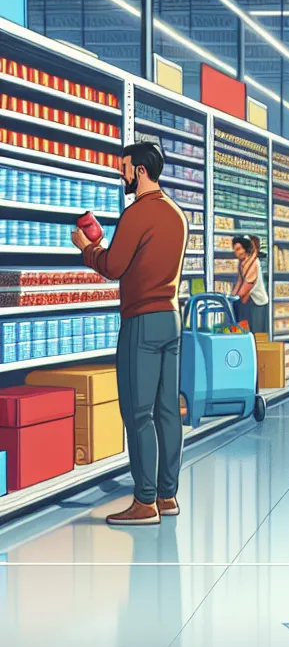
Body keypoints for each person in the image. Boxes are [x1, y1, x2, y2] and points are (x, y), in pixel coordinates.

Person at [71, 142, 187, 525]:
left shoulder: (137, 213)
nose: (120, 174)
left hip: (142, 321)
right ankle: (167, 495)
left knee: (138, 413)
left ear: (139, 170)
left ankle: (144, 501)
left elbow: (114, 266)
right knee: (167, 410)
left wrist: (88, 248)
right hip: (171, 319)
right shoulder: (176, 214)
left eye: (124, 168)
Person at [230, 234, 269, 335]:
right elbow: (239, 281)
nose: (236, 252)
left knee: (255, 333)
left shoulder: (254, 264)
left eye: (238, 249)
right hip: (246, 302)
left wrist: (234, 298)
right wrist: (231, 296)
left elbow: (245, 288)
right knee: (243, 331)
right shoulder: (241, 263)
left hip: (257, 302)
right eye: (235, 249)